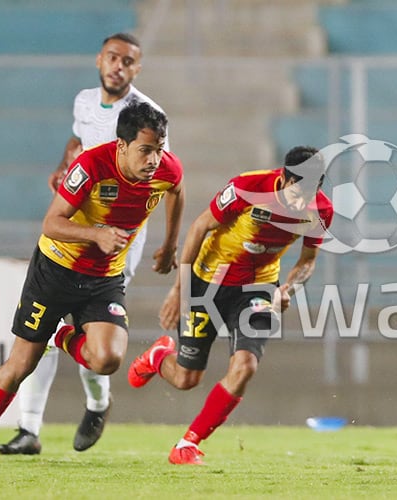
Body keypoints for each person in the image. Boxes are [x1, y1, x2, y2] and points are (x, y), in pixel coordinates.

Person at [0, 101, 185, 473]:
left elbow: (177, 190)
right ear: (122, 145)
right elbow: (51, 223)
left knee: (107, 360)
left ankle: (60, 336)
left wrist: (170, 245)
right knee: (21, 365)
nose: (154, 159)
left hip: (104, 276)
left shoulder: (167, 169)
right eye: (145, 150)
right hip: (56, 270)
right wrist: (95, 234)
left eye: (159, 149)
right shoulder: (92, 166)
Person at [0, 32, 171, 456]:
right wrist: (63, 168)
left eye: (128, 61)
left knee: (80, 327)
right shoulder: (84, 102)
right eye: (112, 57)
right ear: (99, 60)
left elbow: (163, 173)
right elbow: (77, 144)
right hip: (75, 229)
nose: (118, 66)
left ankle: (97, 403)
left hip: (115, 241)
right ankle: (29, 428)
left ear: (137, 69)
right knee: (45, 326)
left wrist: (167, 243)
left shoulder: (148, 116)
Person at [127, 146, 333, 465]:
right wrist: (179, 288)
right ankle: (159, 357)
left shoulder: (320, 210)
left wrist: (288, 288)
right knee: (185, 379)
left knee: (246, 366)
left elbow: (308, 261)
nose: (302, 201)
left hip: (258, 287)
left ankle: (188, 444)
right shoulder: (247, 188)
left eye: (311, 191)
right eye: (297, 190)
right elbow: (199, 227)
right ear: (283, 178)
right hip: (208, 281)